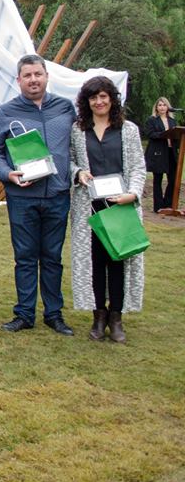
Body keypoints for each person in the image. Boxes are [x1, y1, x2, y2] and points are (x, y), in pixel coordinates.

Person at [0, 54, 76, 336]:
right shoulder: (6, 111)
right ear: (19, 80)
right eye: (27, 76)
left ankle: (54, 314)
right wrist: (6, 174)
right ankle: (24, 313)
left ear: (47, 76)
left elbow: (76, 147)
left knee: (52, 257)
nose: (33, 80)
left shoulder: (65, 108)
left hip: (57, 195)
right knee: (25, 257)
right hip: (23, 197)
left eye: (38, 74)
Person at [69, 76, 146, 343]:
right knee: (95, 263)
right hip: (89, 208)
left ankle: (116, 317)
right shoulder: (78, 130)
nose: (99, 102)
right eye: (93, 97)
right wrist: (77, 172)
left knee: (118, 261)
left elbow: (137, 167)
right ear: (86, 102)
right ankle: (98, 315)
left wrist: (132, 193)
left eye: (103, 96)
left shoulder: (128, 130)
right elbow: (69, 161)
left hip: (120, 205)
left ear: (112, 98)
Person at [144, 97, 178, 212]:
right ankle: (158, 206)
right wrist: (164, 134)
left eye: (164, 105)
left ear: (168, 107)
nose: (162, 107)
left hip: (171, 153)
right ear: (156, 107)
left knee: (173, 179)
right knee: (157, 180)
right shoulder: (152, 120)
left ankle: (167, 204)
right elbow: (150, 134)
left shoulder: (172, 121)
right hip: (158, 153)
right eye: (160, 105)